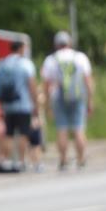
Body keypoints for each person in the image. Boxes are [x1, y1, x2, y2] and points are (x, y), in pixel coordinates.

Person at [41, 31, 94, 170]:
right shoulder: (80, 57)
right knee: (79, 128)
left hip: (58, 98)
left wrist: (47, 104)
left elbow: (46, 85)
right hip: (78, 96)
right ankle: (81, 159)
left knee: (62, 129)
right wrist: (90, 100)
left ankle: (63, 160)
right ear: (69, 43)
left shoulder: (51, 60)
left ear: (56, 44)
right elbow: (88, 82)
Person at [0, 40, 38, 171]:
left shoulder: (2, 64)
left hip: (7, 105)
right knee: (24, 133)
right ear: (22, 49)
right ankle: (21, 161)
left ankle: (7, 160)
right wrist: (35, 104)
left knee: (9, 134)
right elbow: (31, 85)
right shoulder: (25, 64)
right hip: (23, 104)